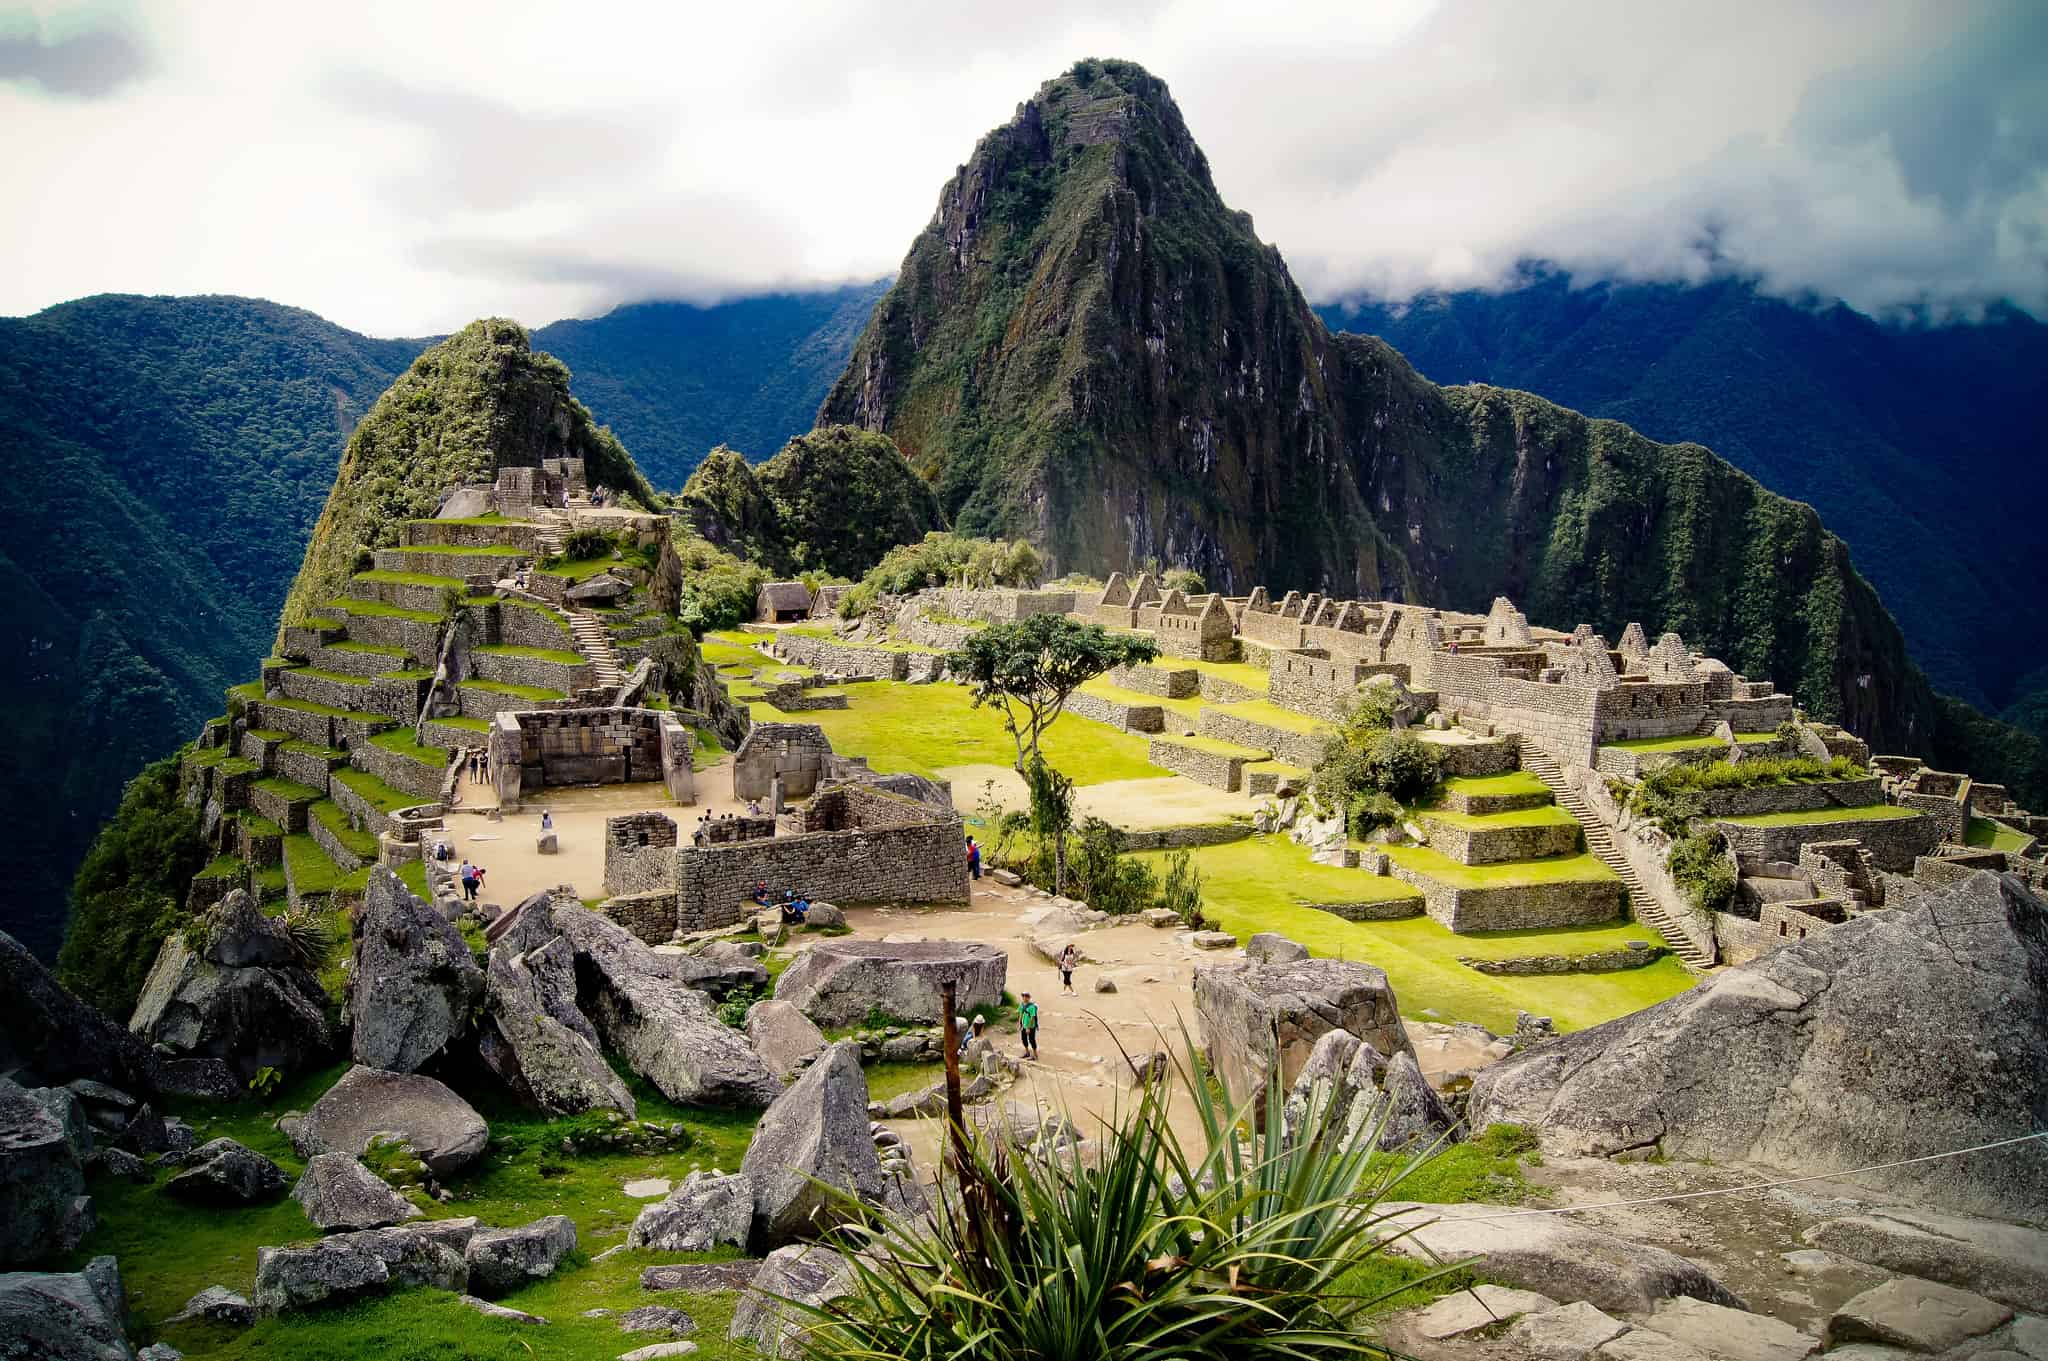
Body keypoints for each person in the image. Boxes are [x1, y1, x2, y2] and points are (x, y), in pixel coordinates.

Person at [1018, 992, 1039, 1061]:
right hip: (1024, 1026)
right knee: (1024, 1039)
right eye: (1023, 996)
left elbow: (1032, 1018)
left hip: (1031, 1027)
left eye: (1026, 996)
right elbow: (1021, 1014)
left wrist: (1028, 1027)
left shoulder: (1032, 1007)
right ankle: (1027, 1053)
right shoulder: (1022, 1005)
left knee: (1032, 1040)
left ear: (1029, 997)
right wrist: (1020, 1023)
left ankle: (1035, 1055)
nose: (1024, 997)